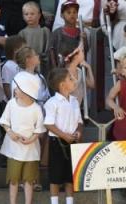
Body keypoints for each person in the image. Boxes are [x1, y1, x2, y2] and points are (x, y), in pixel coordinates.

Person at [0, 72, 46, 204]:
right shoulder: (11, 104)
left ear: (27, 90)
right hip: (14, 149)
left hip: (31, 150)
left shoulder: (36, 108)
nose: (15, 90)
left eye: (18, 88)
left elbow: (40, 128)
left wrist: (32, 139)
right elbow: (4, 121)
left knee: (29, 180)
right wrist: (10, 132)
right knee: (13, 179)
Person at [45, 68, 84, 204]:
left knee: (70, 175)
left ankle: (69, 201)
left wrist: (78, 132)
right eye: (71, 79)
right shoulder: (52, 103)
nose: (74, 81)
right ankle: (54, 202)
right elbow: (49, 124)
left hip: (72, 142)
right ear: (62, 85)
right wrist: (64, 136)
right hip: (57, 142)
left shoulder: (74, 101)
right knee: (55, 175)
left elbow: (79, 121)